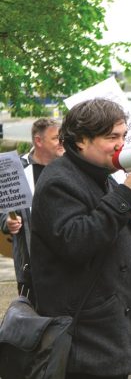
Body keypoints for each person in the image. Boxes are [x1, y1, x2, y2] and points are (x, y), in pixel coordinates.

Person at [30, 98, 131, 378]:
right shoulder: (59, 181)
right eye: (111, 137)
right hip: (84, 340)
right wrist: (126, 196)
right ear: (80, 141)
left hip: (106, 336)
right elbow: (78, 242)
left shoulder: (103, 177)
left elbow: (118, 243)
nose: (121, 145)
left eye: (123, 136)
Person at [0, 118, 64, 299]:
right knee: (34, 323)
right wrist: (8, 221)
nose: (62, 143)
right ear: (38, 141)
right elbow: (3, 209)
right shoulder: (13, 168)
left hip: (67, 264)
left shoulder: (70, 167)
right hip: (31, 268)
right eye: (56, 138)